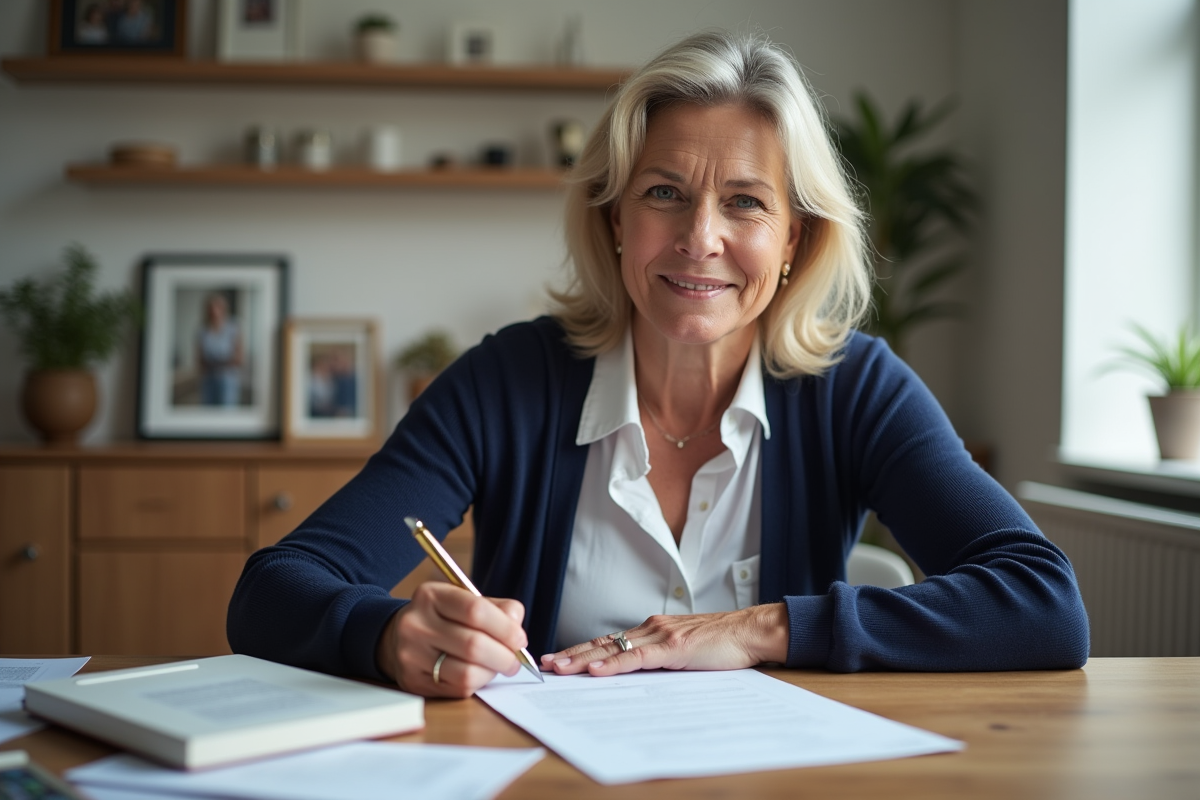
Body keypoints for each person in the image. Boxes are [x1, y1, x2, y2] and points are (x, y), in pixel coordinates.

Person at [227, 31, 1089, 698]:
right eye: (664, 192)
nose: (698, 238)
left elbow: (1044, 606)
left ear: (795, 239)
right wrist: (383, 635)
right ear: (614, 217)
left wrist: (754, 629)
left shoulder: (856, 388)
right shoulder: (509, 381)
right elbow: (271, 592)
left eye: (745, 202)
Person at [196, 292, 243, 407]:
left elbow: (239, 358)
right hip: (208, 379)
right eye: (211, 307)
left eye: (218, 307)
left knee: (227, 412)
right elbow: (199, 359)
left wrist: (220, 363)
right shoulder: (202, 331)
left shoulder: (233, 328)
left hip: (227, 379)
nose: (214, 311)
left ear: (223, 309)